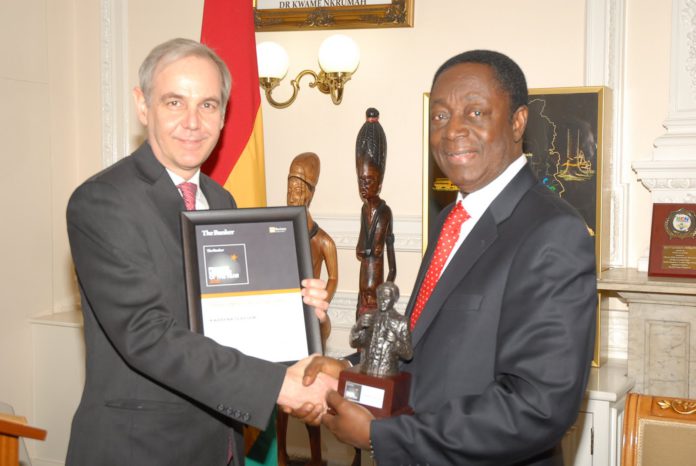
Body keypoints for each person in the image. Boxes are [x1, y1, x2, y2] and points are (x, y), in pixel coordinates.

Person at [296, 50, 597, 465]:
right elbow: (423, 350)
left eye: (475, 112)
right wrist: (346, 371)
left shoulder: (552, 232)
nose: (453, 130)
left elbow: (537, 407)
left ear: (517, 122)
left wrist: (382, 437)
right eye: (439, 116)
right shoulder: (451, 220)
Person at [65, 38, 333, 466]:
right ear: (142, 105)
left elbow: (232, 329)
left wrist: (301, 317)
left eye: (208, 105)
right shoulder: (102, 202)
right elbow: (147, 334)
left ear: (224, 115)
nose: (193, 122)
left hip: (220, 446)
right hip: (139, 451)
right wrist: (280, 386)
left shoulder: (220, 200)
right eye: (175, 102)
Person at [279, 152, 339, 466]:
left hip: (310, 323)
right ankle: (280, 453)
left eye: (299, 188)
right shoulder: (277, 232)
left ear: (310, 193)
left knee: (309, 391)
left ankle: (316, 458)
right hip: (282, 322)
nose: (293, 194)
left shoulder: (323, 241)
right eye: (289, 187)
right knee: (279, 393)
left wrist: (320, 301)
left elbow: (334, 277)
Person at [355, 108, 396, 318]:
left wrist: (386, 292)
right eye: (361, 180)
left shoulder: (384, 212)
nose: (364, 186)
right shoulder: (364, 210)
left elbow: (381, 253)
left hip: (376, 291)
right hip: (363, 288)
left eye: (369, 181)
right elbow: (362, 249)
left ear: (379, 183)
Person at [350, 282, 412, 377]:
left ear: (394, 299)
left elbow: (408, 355)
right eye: (380, 296)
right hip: (365, 371)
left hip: (388, 373)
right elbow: (354, 343)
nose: (382, 300)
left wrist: (395, 342)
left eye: (386, 297)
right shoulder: (368, 316)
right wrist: (358, 327)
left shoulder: (401, 322)